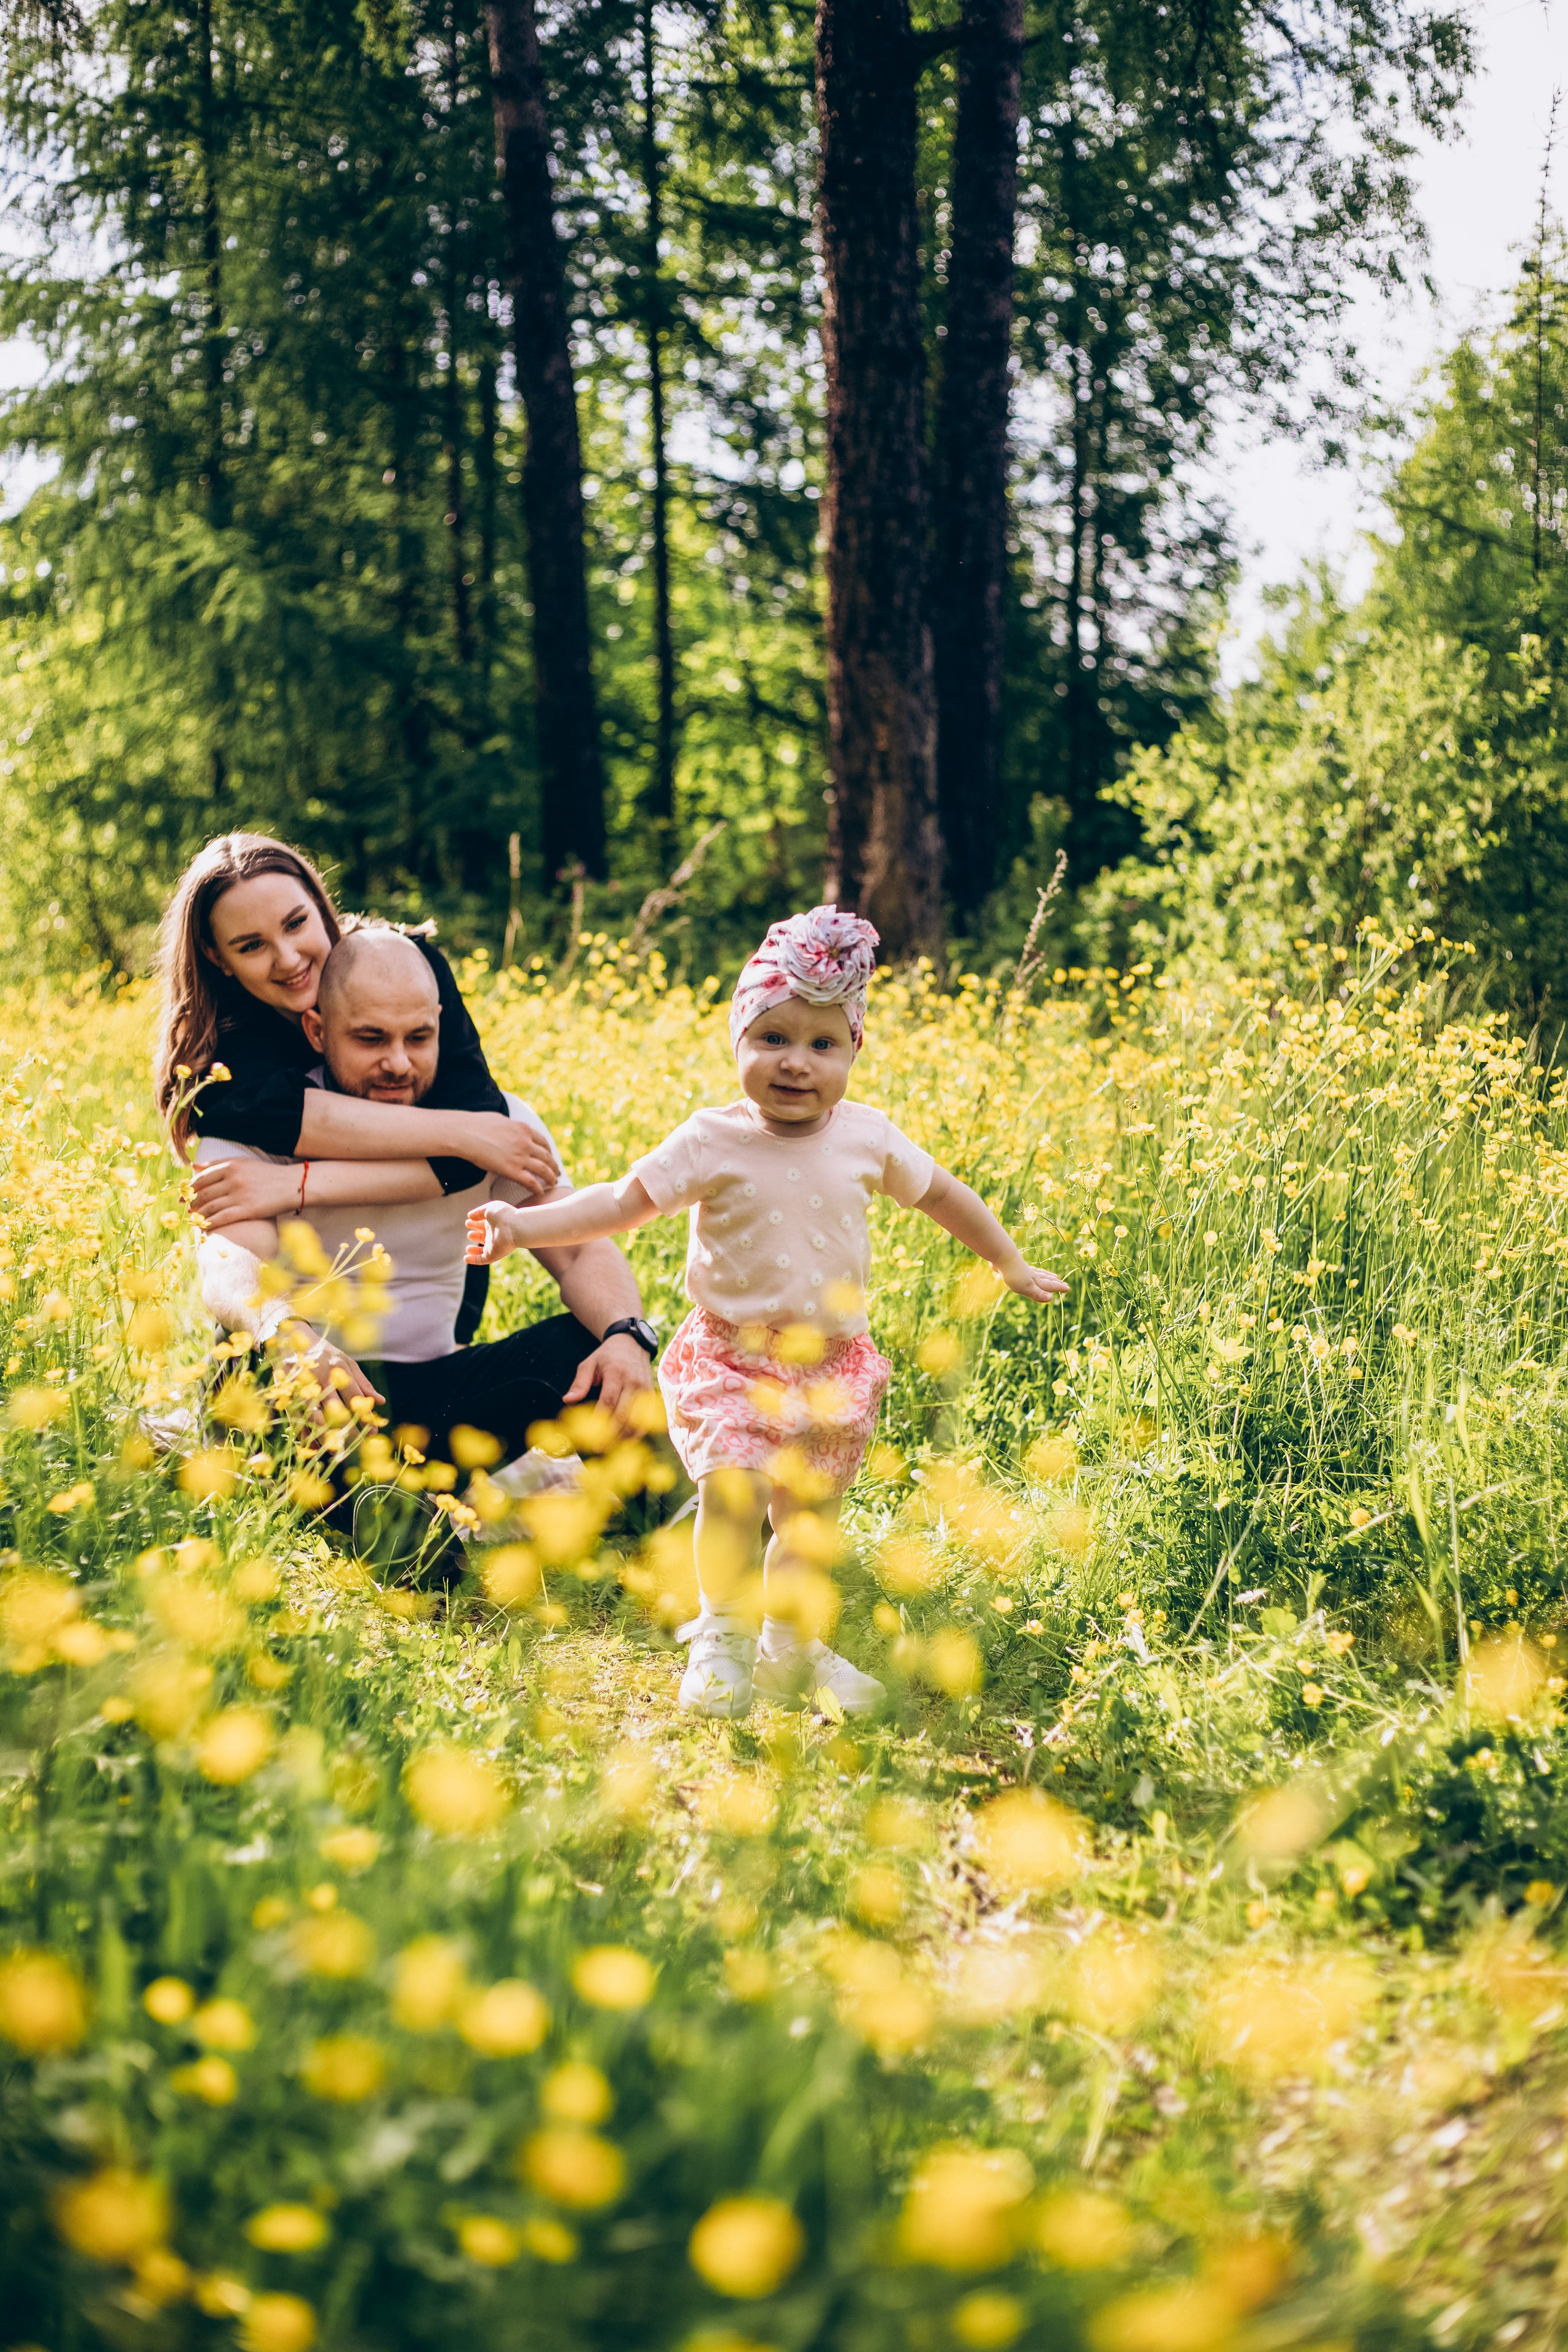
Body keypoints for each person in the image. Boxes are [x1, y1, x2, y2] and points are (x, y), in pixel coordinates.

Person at [466, 904, 1068, 1721]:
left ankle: (793, 1644)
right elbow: (617, 1204)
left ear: (856, 1049)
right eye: (772, 1039)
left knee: (807, 1520)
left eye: (823, 1045)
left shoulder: (869, 1137)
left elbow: (945, 1197)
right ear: (738, 1043)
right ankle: (721, 1635)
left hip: (832, 1362)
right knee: (735, 1492)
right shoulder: (712, 1139)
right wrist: (520, 1225)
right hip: (730, 1352)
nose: (796, 1065)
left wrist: (1008, 1261)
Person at [194, 929, 656, 1504]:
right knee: (255, 1375)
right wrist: (287, 1334)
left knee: (585, 1347)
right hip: (303, 1388)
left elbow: (581, 1246)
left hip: (432, 1395)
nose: (398, 1063)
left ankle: (688, 1516)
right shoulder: (258, 1121)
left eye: (419, 1037)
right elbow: (230, 1262)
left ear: (442, 1024)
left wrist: (627, 1333)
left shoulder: (496, 1129)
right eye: (370, 1039)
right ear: (317, 1030)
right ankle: (387, 1518)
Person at [157, 830, 558, 1344]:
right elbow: (470, 1141)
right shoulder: (218, 1060)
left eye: (296, 924)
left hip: (430, 1286)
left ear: (322, 909)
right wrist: (461, 1135)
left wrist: (291, 1185)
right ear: (217, 957)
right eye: (251, 946)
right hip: (296, 1317)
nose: (287, 959)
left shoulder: (404, 967)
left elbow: (478, 1145)